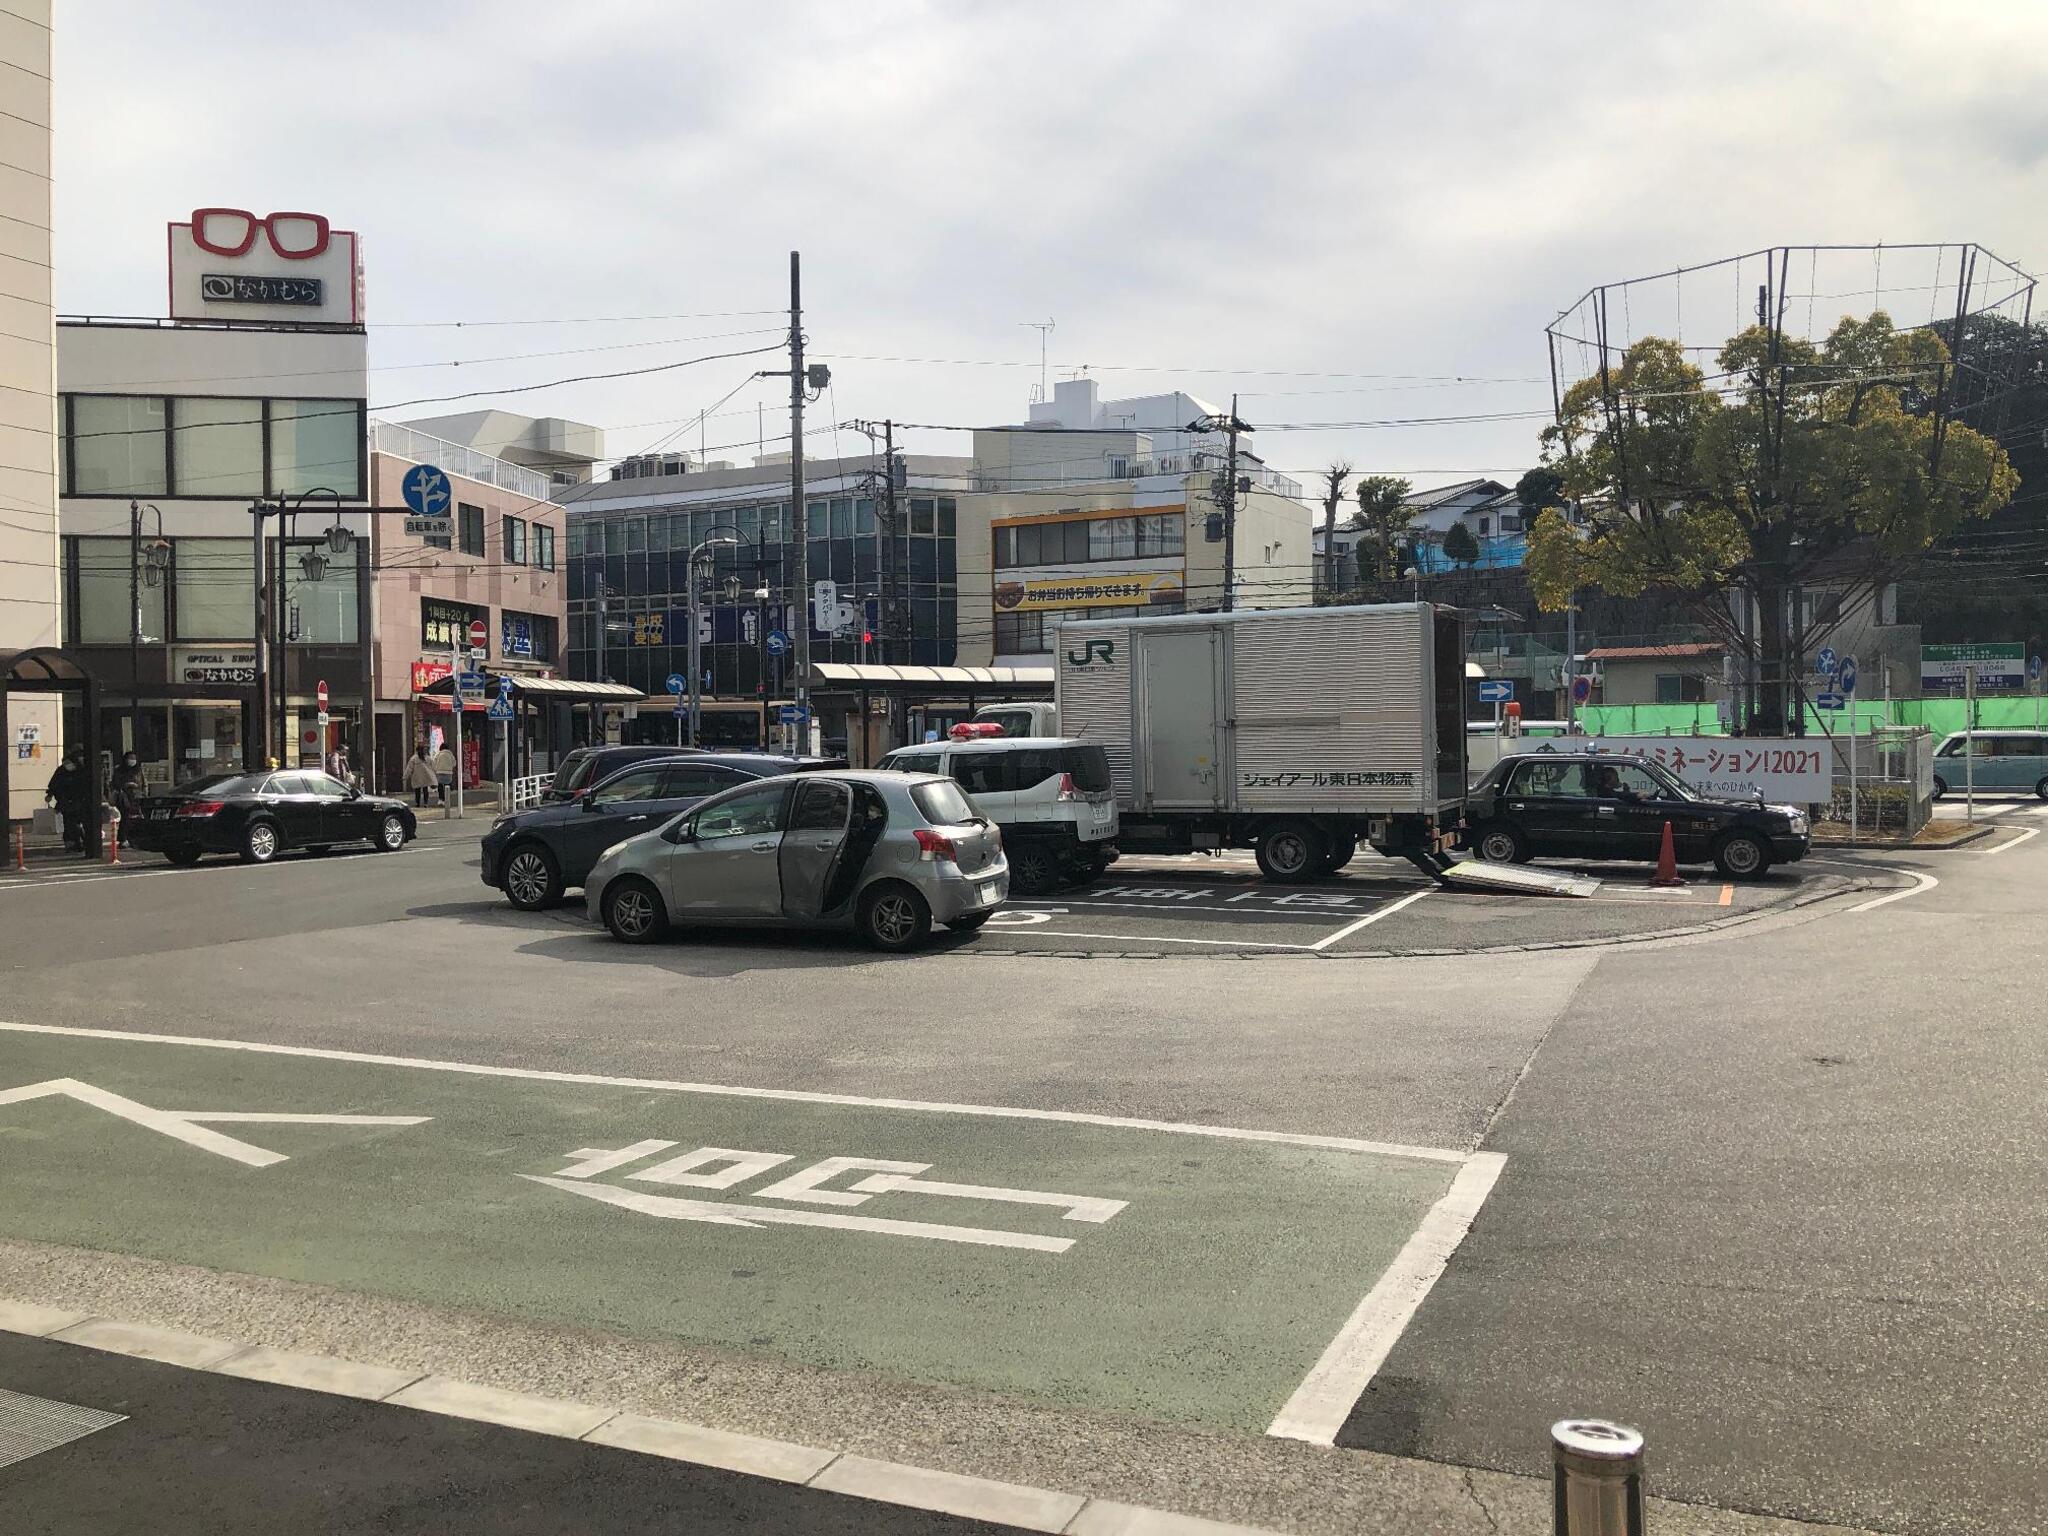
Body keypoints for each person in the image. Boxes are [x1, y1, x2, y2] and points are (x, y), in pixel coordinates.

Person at [44, 749, 89, 851]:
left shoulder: (80, 770)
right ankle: (74, 842)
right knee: (70, 823)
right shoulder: (63, 770)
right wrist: (50, 794)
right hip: (67, 800)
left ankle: (78, 842)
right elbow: (54, 784)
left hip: (76, 800)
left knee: (75, 822)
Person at [110, 751, 146, 822]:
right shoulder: (119, 770)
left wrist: (144, 794)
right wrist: (125, 785)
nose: (132, 760)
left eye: (134, 758)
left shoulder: (138, 770)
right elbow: (115, 784)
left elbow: (143, 783)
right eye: (131, 758)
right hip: (123, 799)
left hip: (137, 798)